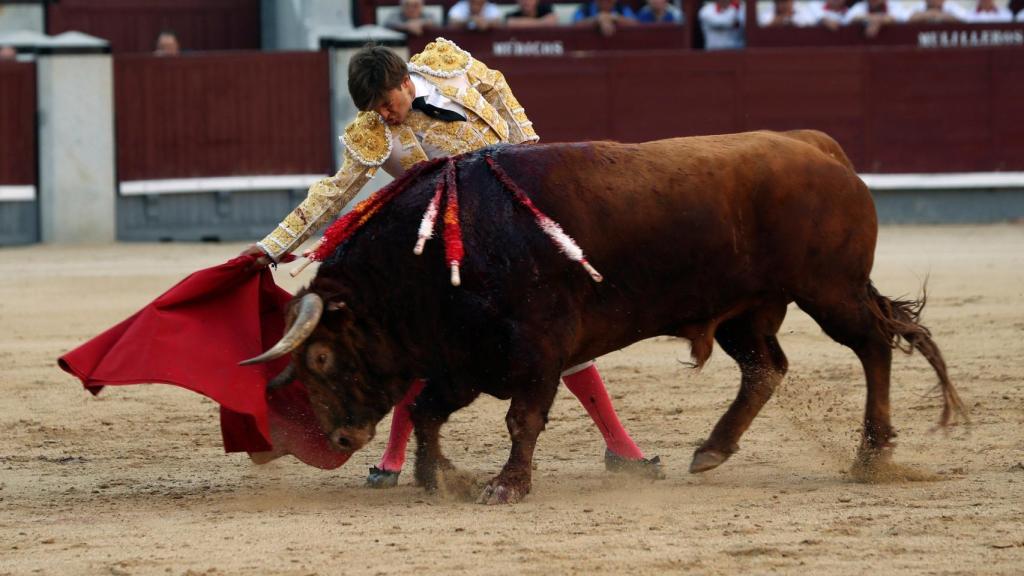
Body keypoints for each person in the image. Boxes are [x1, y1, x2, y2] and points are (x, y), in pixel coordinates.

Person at [244, 39, 660, 486]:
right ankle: (393, 457)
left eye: (387, 102)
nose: (383, 114)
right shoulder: (373, 133)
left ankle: (620, 446)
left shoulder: (448, 63)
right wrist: (271, 245)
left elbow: (497, 85)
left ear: (405, 81)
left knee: (552, 333)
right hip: (453, 252)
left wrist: (529, 150)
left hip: (518, 236)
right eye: (373, 109)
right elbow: (333, 193)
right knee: (421, 346)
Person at [843, 0, 909, 38]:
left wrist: (880, 21)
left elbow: (904, 19)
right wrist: (873, 19)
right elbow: (847, 20)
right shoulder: (860, 6)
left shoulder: (895, 5)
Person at [573, 0, 639, 37]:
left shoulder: (622, 8)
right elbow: (574, 27)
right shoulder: (585, 9)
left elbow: (637, 25)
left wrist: (613, 17)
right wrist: (596, 19)